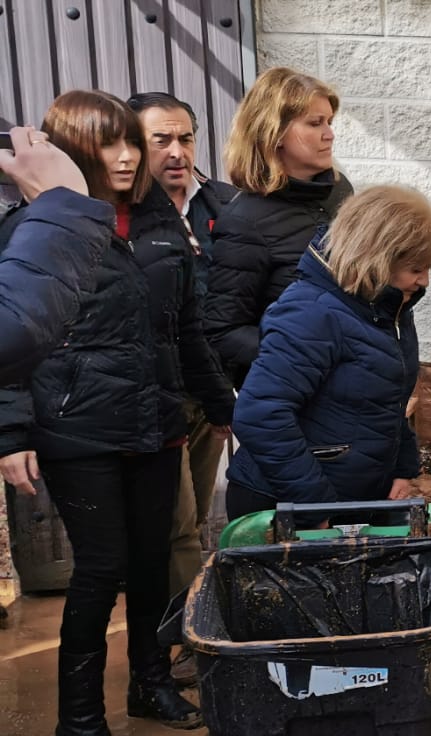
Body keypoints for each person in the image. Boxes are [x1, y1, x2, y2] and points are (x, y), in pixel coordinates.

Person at [0, 90, 214, 735]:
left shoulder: (158, 227)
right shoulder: (33, 229)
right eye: (107, 145)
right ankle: (82, 717)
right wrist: (10, 432)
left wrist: (223, 406)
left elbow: (187, 329)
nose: (126, 157)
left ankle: (150, 686)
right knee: (99, 570)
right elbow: (13, 338)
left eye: (131, 142)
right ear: (68, 154)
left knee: (152, 559)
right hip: (77, 428)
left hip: (155, 422)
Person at [224, 185, 431, 518]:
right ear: (378, 257)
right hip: (283, 506)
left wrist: (402, 469)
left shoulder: (389, 310)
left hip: (347, 503)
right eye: (416, 268)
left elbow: (387, 401)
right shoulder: (310, 312)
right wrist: (317, 508)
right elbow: (260, 414)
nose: (425, 281)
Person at [127, 92, 240, 682]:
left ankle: (188, 633)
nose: (176, 152)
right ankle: (197, 642)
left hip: (212, 390)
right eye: (160, 140)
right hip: (158, 396)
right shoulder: (121, 216)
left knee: (193, 524)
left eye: (186, 138)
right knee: (174, 524)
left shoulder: (222, 206)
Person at [205, 66, 351, 387]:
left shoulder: (341, 192)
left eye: (329, 122)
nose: (329, 134)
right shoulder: (244, 220)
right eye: (315, 123)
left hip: (351, 387)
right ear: (275, 132)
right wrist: (299, 353)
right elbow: (223, 330)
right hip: (291, 396)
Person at [0, 125, 114, 384]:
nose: (125, 156)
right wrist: (63, 209)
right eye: (108, 143)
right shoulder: (27, 226)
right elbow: (13, 330)